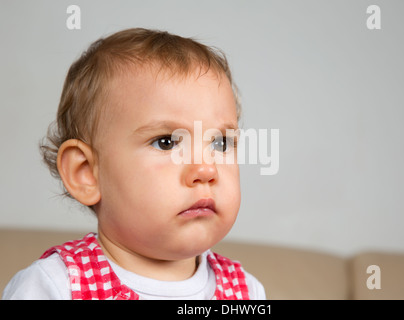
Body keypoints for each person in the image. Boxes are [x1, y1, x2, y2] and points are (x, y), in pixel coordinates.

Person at [2, 28, 265, 300]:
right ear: (86, 173)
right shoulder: (54, 286)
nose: (206, 170)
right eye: (166, 142)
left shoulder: (246, 291)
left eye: (220, 143)